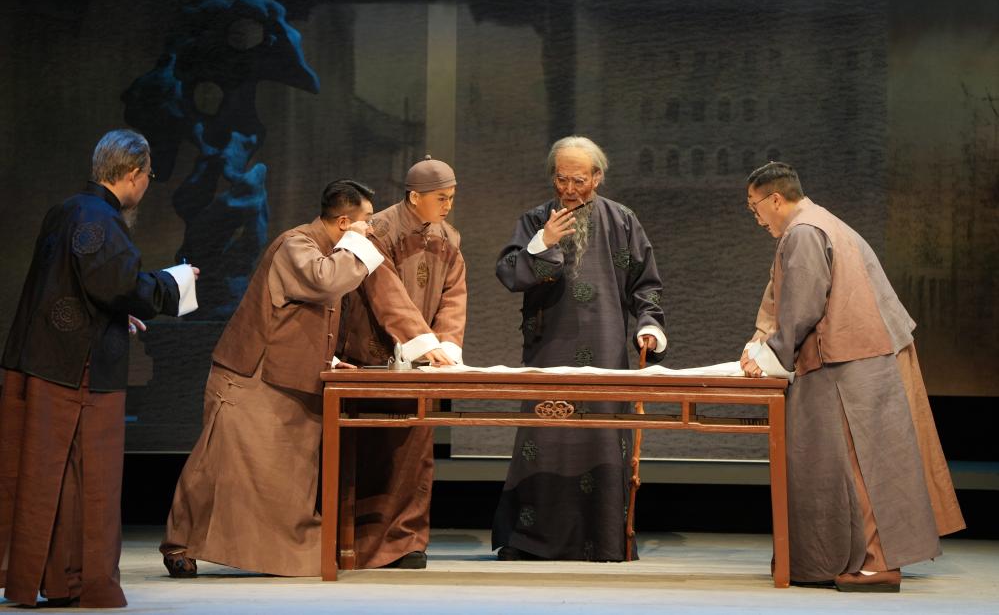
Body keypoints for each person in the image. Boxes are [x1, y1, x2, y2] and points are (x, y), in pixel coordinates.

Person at [740, 161, 964, 592]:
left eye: (755, 207)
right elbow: (784, 298)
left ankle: (875, 564)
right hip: (865, 351)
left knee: (860, 461)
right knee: (864, 458)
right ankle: (859, 559)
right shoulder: (818, 221)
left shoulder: (804, 231)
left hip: (854, 357)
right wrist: (763, 344)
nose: (756, 218)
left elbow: (803, 305)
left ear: (775, 199)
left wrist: (771, 355)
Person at [0, 129, 196, 608]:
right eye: (149, 175)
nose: (147, 184)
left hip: (46, 360)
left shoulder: (66, 210)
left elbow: (71, 283)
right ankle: (78, 582)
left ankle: (52, 580)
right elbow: (120, 284)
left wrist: (109, 314)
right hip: (76, 373)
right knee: (87, 476)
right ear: (132, 174)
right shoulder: (101, 219)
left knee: (49, 473)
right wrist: (173, 284)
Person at [160, 179, 386, 578]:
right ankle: (181, 544)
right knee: (216, 465)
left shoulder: (326, 249)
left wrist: (329, 357)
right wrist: (359, 246)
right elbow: (324, 281)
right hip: (251, 376)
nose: (370, 228)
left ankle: (281, 555)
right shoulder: (296, 245)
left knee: (284, 481)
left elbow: (296, 313)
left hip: (286, 374)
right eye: (366, 220)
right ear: (344, 221)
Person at [490, 136, 667, 562]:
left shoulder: (623, 220)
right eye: (561, 179)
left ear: (597, 177)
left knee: (600, 438)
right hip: (549, 347)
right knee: (544, 438)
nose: (569, 189)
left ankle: (602, 540)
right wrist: (542, 243)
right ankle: (531, 541)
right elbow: (509, 273)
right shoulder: (536, 219)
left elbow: (646, 286)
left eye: (579, 180)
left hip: (605, 349)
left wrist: (649, 325)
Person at [337, 155, 466, 569]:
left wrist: (447, 347)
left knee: (415, 453)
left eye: (451, 197)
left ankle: (407, 541)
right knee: (372, 452)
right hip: (372, 354)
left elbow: (453, 296)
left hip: (421, 363)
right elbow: (385, 292)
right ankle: (359, 541)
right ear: (414, 197)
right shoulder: (379, 230)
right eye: (441, 198)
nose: (448, 205)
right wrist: (422, 341)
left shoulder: (448, 237)